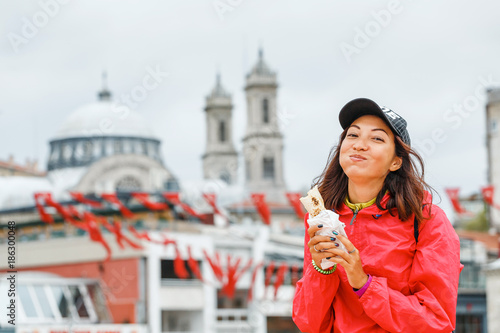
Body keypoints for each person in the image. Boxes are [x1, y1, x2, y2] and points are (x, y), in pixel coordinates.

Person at [292, 98, 462, 333]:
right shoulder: (321, 218)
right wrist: (322, 269)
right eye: (352, 135)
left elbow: (436, 322)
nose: (359, 145)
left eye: (377, 138)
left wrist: (363, 284)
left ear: (395, 161)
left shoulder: (428, 221)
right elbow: (310, 324)